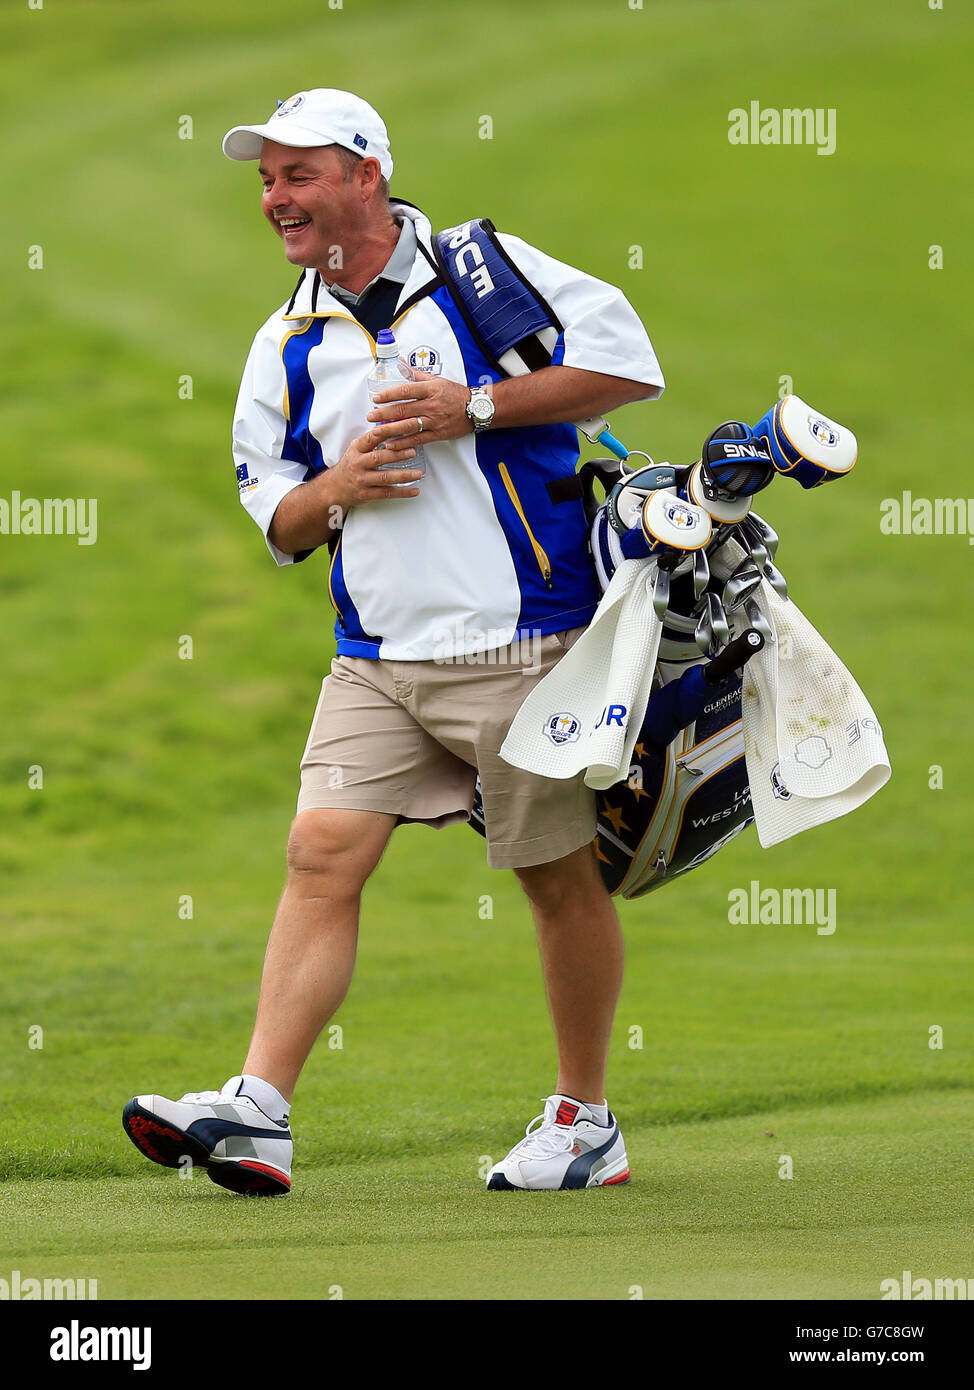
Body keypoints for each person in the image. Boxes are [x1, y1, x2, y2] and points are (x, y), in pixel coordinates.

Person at [122, 88, 665, 1195]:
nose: (275, 199)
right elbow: (274, 513)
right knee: (319, 853)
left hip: (528, 642)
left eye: (297, 174)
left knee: (556, 881)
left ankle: (585, 1116)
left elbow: (623, 366)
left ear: (365, 173)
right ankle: (260, 1111)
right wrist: (338, 488)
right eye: (266, 180)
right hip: (374, 658)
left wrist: (469, 407)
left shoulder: (482, 269)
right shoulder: (284, 341)